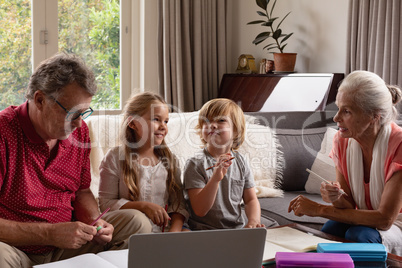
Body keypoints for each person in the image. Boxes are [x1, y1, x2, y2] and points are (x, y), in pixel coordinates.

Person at [0, 53, 152, 268]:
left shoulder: (79, 135)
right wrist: (49, 234)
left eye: (84, 113)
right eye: (72, 113)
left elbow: (81, 191)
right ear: (40, 100)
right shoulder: (3, 132)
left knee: (137, 222)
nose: (80, 124)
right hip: (14, 250)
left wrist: (95, 222)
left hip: (67, 246)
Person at [288, 70, 402, 255]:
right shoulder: (342, 141)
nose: (336, 117)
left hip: (397, 224)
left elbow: (385, 219)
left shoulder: (399, 145)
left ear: (374, 116)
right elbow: (347, 205)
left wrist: (318, 209)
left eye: (346, 111)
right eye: (339, 107)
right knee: (331, 229)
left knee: (360, 235)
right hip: (371, 220)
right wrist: (336, 197)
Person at [98, 92, 188, 233]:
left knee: (187, 235)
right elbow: (105, 204)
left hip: (164, 233)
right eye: (156, 119)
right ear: (133, 123)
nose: (163, 126)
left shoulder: (170, 160)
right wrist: (143, 206)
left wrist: (174, 234)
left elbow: (178, 205)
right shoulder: (115, 157)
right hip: (131, 233)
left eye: (166, 121)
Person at [183, 98, 264, 230]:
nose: (212, 125)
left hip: (236, 228)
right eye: (206, 121)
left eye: (221, 120)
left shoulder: (241, 162)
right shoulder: (195, 164)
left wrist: (253, 221)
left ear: (236, 130)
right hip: (203, 230)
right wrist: (215, 178)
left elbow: (251, 200)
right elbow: (200, 210)